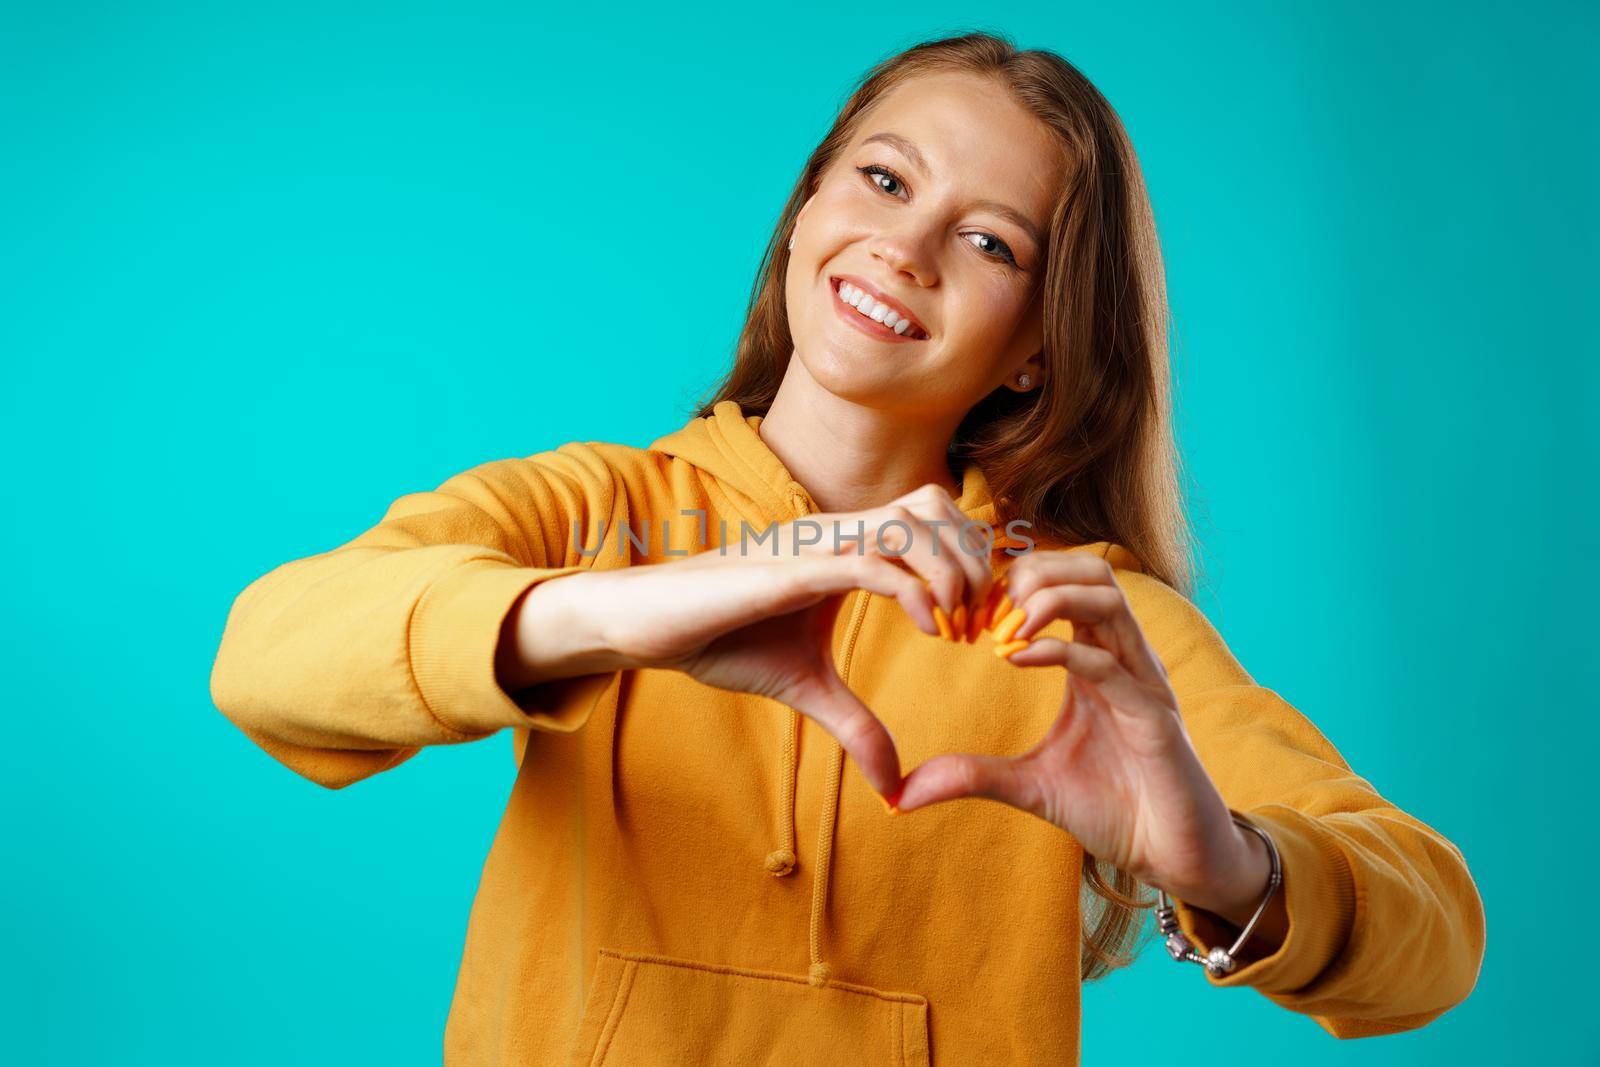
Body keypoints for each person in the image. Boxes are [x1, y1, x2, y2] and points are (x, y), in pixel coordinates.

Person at [209, 30, 1485, 1065]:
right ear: (807, 201)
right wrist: (615, 611)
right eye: (882, 179)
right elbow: (266, 655)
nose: (905, 248)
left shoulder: (1083, 623)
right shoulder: (592, 511)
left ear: (1040, 342)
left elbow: (1437, 936)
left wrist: (1223, 861)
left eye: (991, 243)